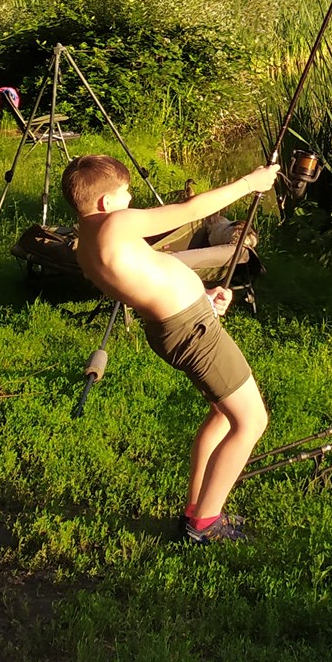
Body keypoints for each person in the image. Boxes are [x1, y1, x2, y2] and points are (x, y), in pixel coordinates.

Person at [63, 152, 280, 544]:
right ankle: (205, 525)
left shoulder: (87, 244)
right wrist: (251, 183)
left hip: (181, 326)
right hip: (191, 332)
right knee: (251, 422)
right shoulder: (116, 223)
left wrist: (204, 294)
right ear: (104, 202)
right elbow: (188, 209)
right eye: (125, 192)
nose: (130, 199)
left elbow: (149, 275)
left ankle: (195, 508)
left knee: (221, 414)